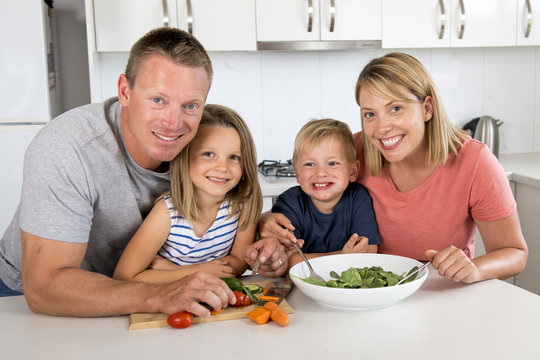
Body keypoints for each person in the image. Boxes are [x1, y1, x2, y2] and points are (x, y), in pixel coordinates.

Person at [0, 27, 285, 317]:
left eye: (190, 105)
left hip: (133, 294)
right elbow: (45, 287)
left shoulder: (198, 145)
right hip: (30, 301)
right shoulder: (67, 149)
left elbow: (219, 206)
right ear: (125, 91)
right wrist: (164, 291)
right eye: (158, 100)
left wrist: (261, 223)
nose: (173, 123)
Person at [260, 52, 528, 284]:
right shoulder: (354, 152)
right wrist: (266, 221)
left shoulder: (474, 162)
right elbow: (305, 201)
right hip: (365, 289)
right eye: (369, 114)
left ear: (427, 108)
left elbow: (514, 253)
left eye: (395, 108)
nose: (381, 128)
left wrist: (475, 269)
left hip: (440, 292)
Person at [113, 104, 262, 283]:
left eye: (234, 157)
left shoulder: (242, 205)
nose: (222, 167)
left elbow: (239, 262)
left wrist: (178, 270)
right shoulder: (167, 213)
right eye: (208, 154)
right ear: (185, 157)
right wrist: (198, 272)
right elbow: (124, 277)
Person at [271, 119, 379, 269]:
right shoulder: (289, 203)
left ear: (353, 171)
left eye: (332, 163)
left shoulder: (358, 198)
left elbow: (370, 251)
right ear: (297, 172)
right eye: (310, 164)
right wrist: (342, 258)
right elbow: (287, 262)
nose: (321, 173)